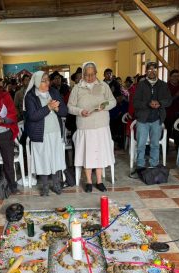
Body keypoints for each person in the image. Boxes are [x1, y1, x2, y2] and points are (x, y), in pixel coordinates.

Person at [68, 62, 116, 192]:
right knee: (87, 154)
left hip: (101, 125)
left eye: (92, 74)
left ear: (96, 73)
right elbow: (70, 106)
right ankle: (89, 181)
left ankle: (99, 181)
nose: (90, 77)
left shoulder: (103, 86)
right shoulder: (77, 88)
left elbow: (113, 101)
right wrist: (80, 111)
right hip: (85, 126)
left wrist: (105, 105)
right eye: (87, 75)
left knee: (100, 153)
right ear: (83, 74)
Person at [24, 71, 68, 196]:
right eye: (43, 81)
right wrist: (48, 108)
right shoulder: (30, 96)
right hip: (39, 134)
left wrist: (57, 108)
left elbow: (64, 111)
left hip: (54, 131)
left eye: (48, 80)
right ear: (37, 82)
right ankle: (44, 186)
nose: (47, 83)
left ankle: (56, 184)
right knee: (42, 159)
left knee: (55, 158)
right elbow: (32, 116)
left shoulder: (53, 92)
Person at [132, 61, 172, 171]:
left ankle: (154, 165)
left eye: (154, 69)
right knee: (141, 144)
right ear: (146, 72)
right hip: (142, 119)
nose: (152, 72)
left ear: (157, 71)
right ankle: (140, 165)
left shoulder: (163, 85)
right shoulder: (141, 85)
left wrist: (160, 103)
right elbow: (135, 102)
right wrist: (148, 104)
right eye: (149, 70)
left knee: (155, 144)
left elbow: (169, 100)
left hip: (157, 119)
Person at [165, 69, 179, 149]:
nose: (176, 78)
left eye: (177, 76)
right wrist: (176, 95)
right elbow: (167, 101)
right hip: (168, 112)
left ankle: (178, 148)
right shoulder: (166, 86)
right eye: (174, 76)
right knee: (167, 131)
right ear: (170, 77)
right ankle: (165, 148)